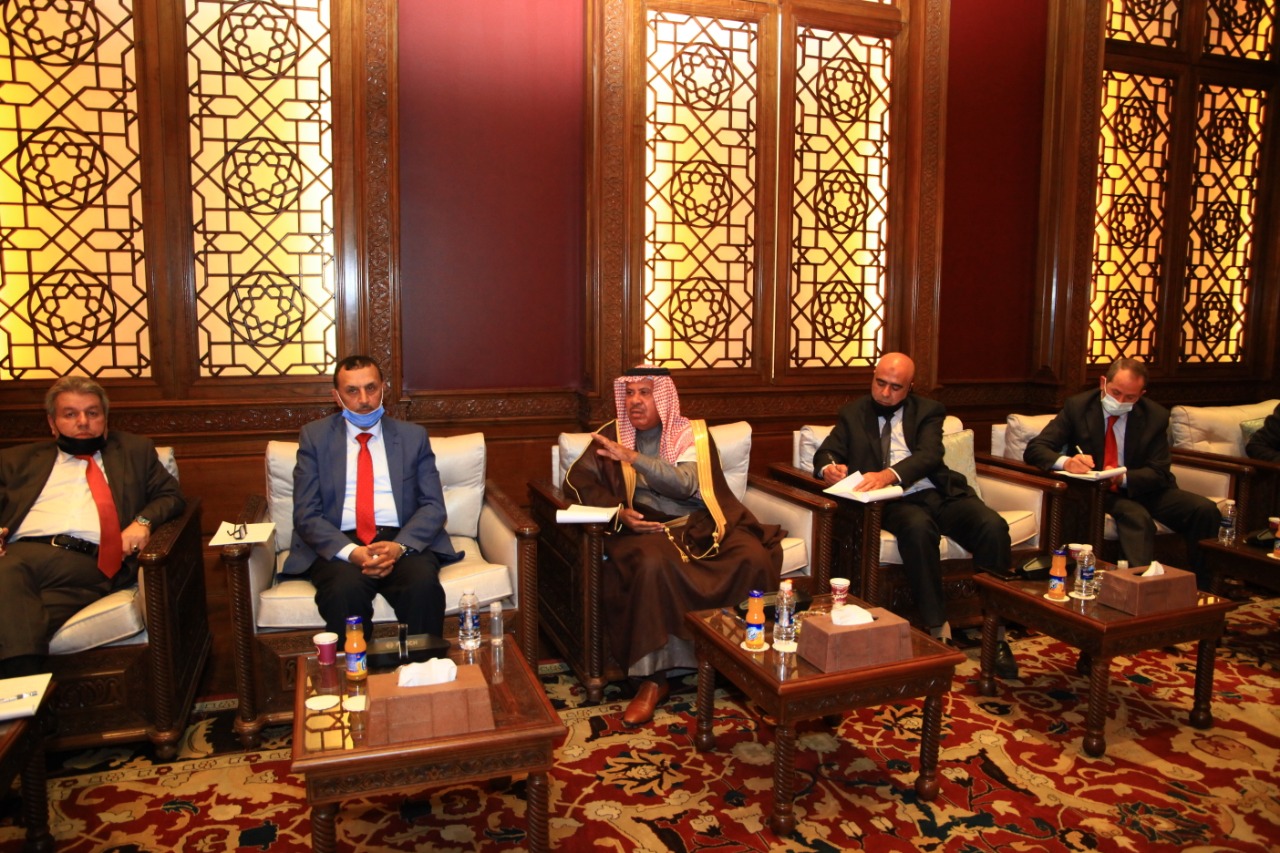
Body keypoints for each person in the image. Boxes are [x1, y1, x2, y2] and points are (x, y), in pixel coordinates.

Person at [565, 367, 784, 726]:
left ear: (664, 397)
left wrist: (632, 458)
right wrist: (618, 513)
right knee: (651, 566)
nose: (635, 401)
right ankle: (653, 680)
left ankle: (753, 665)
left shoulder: (690, 434)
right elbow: (578, 482)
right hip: (645, 529)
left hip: (701, 523)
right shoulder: (612, 435)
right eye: (630, 393)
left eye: (645, 393)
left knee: (753, 556)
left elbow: (684, 484)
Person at [811, 352, 1018, 677]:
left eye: (895, 387)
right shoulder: (854, 413)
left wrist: (888, 474)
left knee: (992, 526)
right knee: (918, 529)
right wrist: (828, 468)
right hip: (895, 503)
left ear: (910, 387)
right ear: (873, 377)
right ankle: (938, 628)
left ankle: (998, 633)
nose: (885, 393)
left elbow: (929, 455)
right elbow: (826, 451)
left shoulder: (928, 411)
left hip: (938, 492)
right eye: (880, 383)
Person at [0, 376, 185, 677]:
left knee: (5, 572)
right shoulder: (16, 461)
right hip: (26, 557)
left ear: (105, 418)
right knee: (20, 616)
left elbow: (171, 496)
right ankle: (25, 698)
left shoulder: (134, 451)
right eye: (70, 414)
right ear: (52, 423)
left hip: (88, 561)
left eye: (92, 413)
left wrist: (142, 522)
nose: (83, 421)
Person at [284, 355, 459, 639]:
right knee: (344, 591)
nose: (364, 400)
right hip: (341, 542)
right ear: (337, 396)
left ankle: (423, 665)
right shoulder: (315, 438)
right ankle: (355, 666)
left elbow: (432, 506)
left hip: (399, 539)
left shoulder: (412, 437)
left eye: (371, 388)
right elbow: (306, 514)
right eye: (352, 391)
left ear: (383, 389)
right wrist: (352, 552)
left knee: (423, 586)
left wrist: (399, 547)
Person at [1024, 357, 1219, 588]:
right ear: (1103, 383)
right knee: (1136, 516)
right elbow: (1036, 449)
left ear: (1141, 394)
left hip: (1143, 487)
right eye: (1115, 392)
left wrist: (1123, 477)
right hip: (1099, 492)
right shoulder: (1078, 407)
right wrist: (1066, 463)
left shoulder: (1155, 416)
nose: (1120, 401)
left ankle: (1203, 587)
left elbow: (1159, 470)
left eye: (1129, 397)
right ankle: (1140, 589)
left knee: (1204, 510)